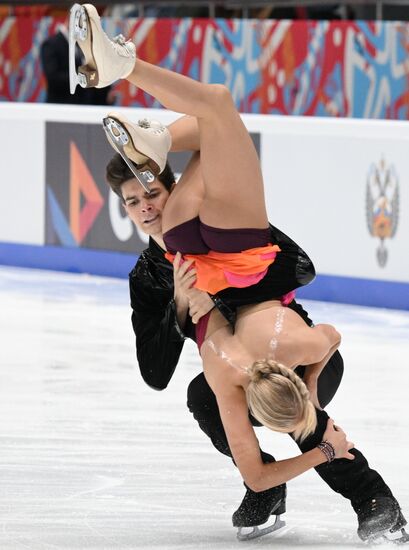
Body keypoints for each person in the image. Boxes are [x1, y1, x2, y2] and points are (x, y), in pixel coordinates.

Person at [69, 4, 408, 543]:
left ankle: (373, 500)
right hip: (243, 359)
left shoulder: (202, 217)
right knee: (205, 397)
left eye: (152, 192)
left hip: (285, 343)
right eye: (134, 202)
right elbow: (155, 372)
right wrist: (181, 306)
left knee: (295, 401)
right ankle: (266, 488)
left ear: (170, 187)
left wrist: (220, 294)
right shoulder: (148, 275)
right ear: (125, 211)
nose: (146, 206)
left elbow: (297, 266)